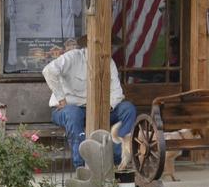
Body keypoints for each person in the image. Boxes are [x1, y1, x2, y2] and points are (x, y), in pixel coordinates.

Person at [43, 35, 138, 168]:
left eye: (109, 46)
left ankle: (117, 159)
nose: (108, 49)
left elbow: (117, 92)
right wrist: (61, 98)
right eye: (103, 45)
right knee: (73, 113)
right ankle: (81, 166)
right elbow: (49, 71)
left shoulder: (109, 62)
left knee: (128, 109)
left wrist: (107, 107)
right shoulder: (73, 57)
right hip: (68, 108)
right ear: (90, 45)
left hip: (98, 109)